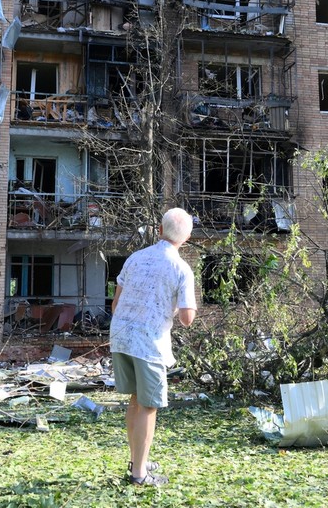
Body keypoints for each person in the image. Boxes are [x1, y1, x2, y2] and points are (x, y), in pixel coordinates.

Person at [109, 208, 197, 486]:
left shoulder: (135, 258)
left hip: (121, 336)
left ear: (160, 229)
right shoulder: (181, 268)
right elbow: (187, 319)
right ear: (187, 237)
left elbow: (114, 304)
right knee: (149, 406)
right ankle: (139, 475)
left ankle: (139, 460)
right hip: (148, 342)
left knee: (136, 400)